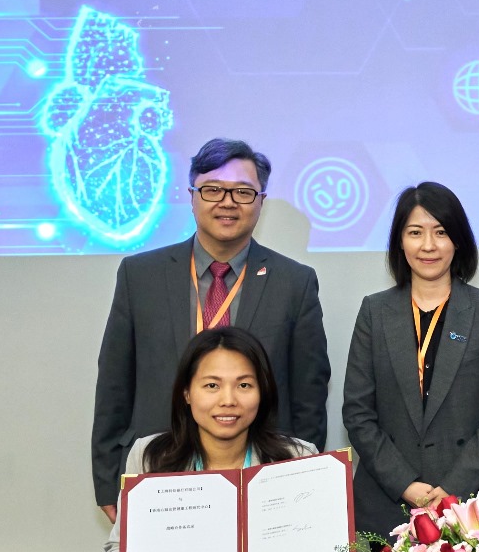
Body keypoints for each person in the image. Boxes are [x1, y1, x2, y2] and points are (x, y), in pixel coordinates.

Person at [91, 138, 331, 520]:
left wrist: (299, 481)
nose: (227, 202)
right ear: (192, 196)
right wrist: (108, 482)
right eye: (213, 189)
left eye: (243, 192)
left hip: (263, 478)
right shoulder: (140, 276)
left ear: (261, 201)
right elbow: (114, 384)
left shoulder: (294, 282)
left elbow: (309, 396)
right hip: (160, 472)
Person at [341, 182, 479, 539]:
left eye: (440, 232)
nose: (428, 245)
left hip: (473, 503)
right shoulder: (375, 311)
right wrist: (405, 483)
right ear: (400, 241)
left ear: (458, 240)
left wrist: (452, 488)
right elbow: (358, 413)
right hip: (389, 502)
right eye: (415, 232)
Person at [99, 326, 316, 552]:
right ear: (187, 392)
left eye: (244, 385)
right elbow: (119, 546)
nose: (228, 400)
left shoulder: (299, 459)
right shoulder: (149, 456)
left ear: (262, 392)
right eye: (212, 385)